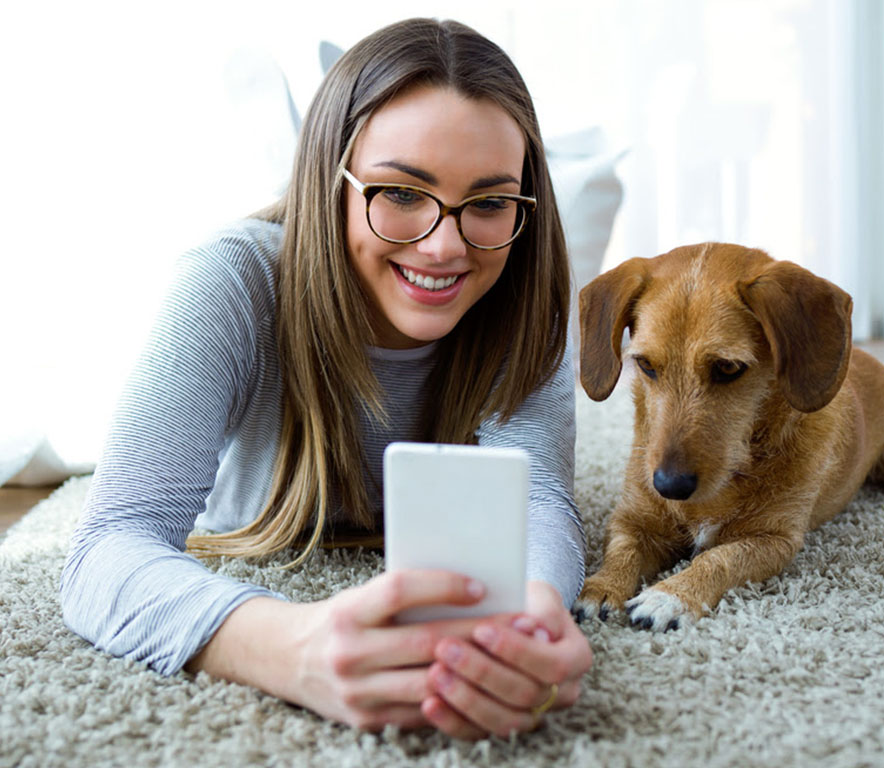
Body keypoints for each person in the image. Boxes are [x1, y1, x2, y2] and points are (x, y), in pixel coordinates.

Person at [60, 18, 592, 740]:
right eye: (401, 192)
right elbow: (107, 547)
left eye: (491, 203)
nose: (444, 245)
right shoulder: (230, 280)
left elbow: (542, 501)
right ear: (331, 182)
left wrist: (533, 617)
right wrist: (292, 649)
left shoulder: (526, 296)